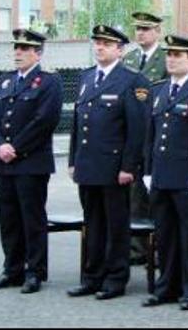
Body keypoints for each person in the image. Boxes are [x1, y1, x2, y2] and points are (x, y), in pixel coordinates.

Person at [67, 25, 149, 300]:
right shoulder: (87, 77)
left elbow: (137, 130)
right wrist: (72, 160)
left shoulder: (132, 80)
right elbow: (79, 124)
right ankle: (92, 276)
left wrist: (128, 167)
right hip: (88, 165)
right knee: (92, 223)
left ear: (120, 50)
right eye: (97, 43)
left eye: (106, 43)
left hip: (114, 168)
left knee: (115, 225)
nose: (99, 47)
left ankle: (115, 278)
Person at [141, 35, 188, 311]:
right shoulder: (158, 90)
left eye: (178, 55)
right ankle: (166, 287)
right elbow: (150, 134)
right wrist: (147, 169)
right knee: (165, 234)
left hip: (187, 177)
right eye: (169, 54)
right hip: (161, 175)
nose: (171, 59)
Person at [0, 29, 63, 294]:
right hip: (4, 162)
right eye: (16, 48)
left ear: (38, 53)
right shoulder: (4, 81)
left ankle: (34, 271)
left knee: (32, 218)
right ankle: (12, 269)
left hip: (31, 161)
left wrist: (15, 147)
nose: (18, 53)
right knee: (9, 218)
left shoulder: (48, 82)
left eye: (24, 49)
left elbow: (45, 121)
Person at [122, 11, 167, 265]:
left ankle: (156, 247)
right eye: (138, 29)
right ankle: (136, 248)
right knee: (133, 195)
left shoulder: (165, 58)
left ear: (157, 31)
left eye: (146, 29)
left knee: (155, 195)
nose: (140, 33)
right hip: (132, 135)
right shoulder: (129, 58)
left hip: (156, 132)